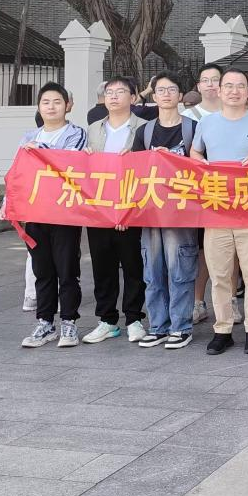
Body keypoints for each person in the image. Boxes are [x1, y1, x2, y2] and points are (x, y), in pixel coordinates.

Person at [193, 68, 248, 355]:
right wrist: (202, 163)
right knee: (219, 273)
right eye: (228, 86)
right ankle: (223, 329)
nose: (234, 91)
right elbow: (195, 152)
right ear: (219, 91)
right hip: (217, 208)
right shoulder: (206, 123)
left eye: (240, 86)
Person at [16, 83, 88, 348]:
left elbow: (65, 161)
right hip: (35, 212)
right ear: (38, 106)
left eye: (57, 101)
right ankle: (45, 322)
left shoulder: (76, 133)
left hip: (65, 212)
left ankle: (69, 322)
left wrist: (38, 149)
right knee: (42, 270)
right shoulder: (28, 136)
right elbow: (20, 172)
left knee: (67, 269)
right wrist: (9, 203)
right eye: (45, 102)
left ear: (67, 105)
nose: (51, 107)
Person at [133, 72, 200, 350]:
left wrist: (175, 160)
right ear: (154, 95)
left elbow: (203, 167)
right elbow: (134, 170)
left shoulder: (193, 129)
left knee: (179, 268)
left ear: (180, 95)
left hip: (181, 212)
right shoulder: (144, 132)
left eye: (172, 89)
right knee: (153, 270)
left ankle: (181, 327)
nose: (166, 94)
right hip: (151, 211)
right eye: (160, 90)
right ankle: (158, 326)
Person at [82, 76, 148, 345]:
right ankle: (107, 320)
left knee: (133, 265)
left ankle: (134, 318)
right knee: (102, 266)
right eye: (109, 92)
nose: (113, 96)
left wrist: (128, 208)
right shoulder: (93, 129)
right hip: (100, 209)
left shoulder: (144, 127)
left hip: (131, 207)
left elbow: (149, 170)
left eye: (120, 92)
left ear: (133, 98)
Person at [183, 63, 222, 327]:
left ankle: (229, 302)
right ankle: (198, 302)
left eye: (215, 79)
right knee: (200, 248)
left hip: (229, 192)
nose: (210, 85)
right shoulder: (186, 116)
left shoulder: (236, 112)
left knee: (230, 250)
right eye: (205, 80)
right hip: (196, 192)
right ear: (198, 85)